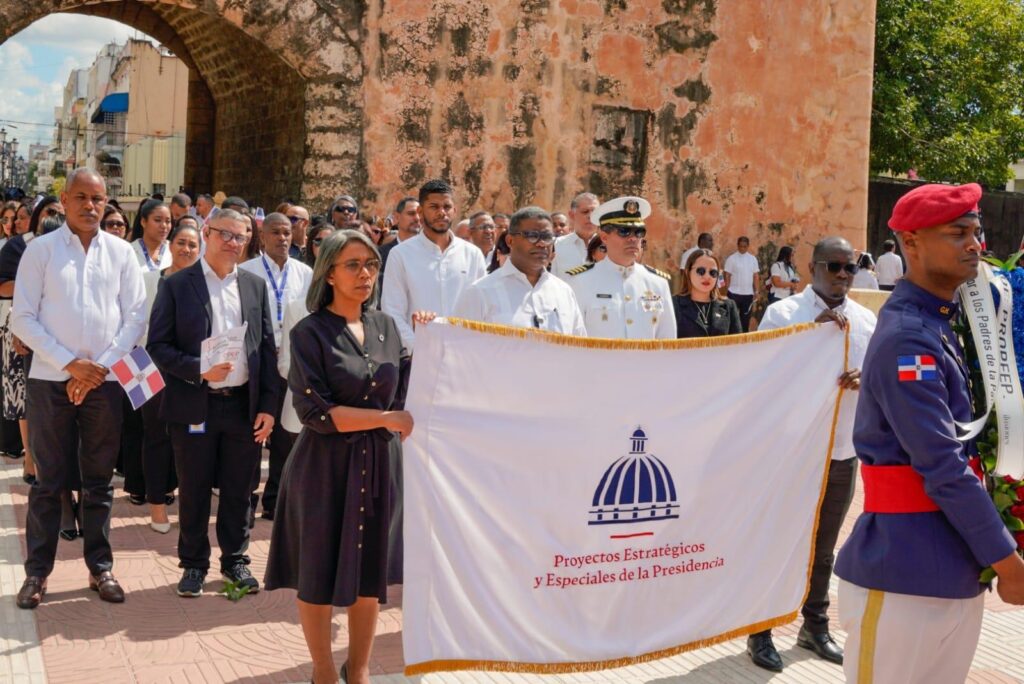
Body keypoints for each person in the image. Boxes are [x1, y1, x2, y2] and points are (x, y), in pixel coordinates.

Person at [834, 183, 1024, 682]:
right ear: (911, 243)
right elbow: (942, 464)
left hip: (950, 571)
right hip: (902, 574)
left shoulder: (939, 325)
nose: (974, 244)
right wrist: (1007, 561)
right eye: (957, 232)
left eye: (976, 231)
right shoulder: (908, 337)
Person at [265, 229, 412, 684]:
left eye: (371, 265)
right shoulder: (309, 331)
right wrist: (386, 420)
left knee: (371, 576)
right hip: (323, 468)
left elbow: (406, 394)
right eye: (353, 265)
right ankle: (325, 671)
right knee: (318, 572)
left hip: (379, 465)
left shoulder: (388, 326)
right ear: (329, 272)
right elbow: (317, 413)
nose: (365, 274)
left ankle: (361, 669)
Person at [12, 169, 147, 609]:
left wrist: (98, 369)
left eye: (99, 199)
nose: (91, 206)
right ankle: (37, 573)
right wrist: (71, 365)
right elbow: (23, 319)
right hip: (51, 382)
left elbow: (134, 318)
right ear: (65, 200)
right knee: (48, 482)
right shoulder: (41, 252)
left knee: (99, 480)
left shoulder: (121, 253)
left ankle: (100, 567)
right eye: (82, 198)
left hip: (104, 385)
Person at [746, 236, 877, 672]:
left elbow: (881, 383)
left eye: (850, 267)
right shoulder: (783, 314)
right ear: (812, 266)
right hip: (792, 452)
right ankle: (760, 630)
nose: (842, 275)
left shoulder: (864, 320)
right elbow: (765, 377)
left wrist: (866, 380)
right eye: (833, 265)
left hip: (841, 450)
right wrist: (811, 344)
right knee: (780, 541)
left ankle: (815, 626)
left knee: (825, 547)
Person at [147, 208, 280, 598]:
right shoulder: (177, 285)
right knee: (194, 488)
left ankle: (235, 561)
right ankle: (193, 564)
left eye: (240, 237)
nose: (233, 243)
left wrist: (269, 406)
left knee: (240, 490)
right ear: (207, 232)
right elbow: (157, 346)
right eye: (225, 234)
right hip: (195, 403)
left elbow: (267, 349)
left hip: (243, 405)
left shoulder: (254, 286)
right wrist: (198, 369)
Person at [239, 212, 313, 520]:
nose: (283, 238)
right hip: (258, 361)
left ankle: (276, 498)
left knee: (285, 433)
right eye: (276, 233)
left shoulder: (305, 273)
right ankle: (245, 496)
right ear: (263, 236)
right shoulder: (246, 271)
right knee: (252, 431)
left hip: (291, 362)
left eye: (287, 232)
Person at [139, 220, 201, 533]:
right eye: (181, 243)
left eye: (193, 245)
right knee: (156, 437)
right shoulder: (149, 281)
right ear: (170, 245)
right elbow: (136, 328)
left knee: (189, 439)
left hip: (189, 374)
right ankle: (156, 504)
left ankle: (177, 491)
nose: (186, 249)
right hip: (151, 370)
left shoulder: (203, 285)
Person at [381, 179, 487, 350]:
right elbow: (392, 312)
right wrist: (419, 350)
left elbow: (484, 309)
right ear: (420, 212)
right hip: (417, 359)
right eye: (434, 207)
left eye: (446, 207)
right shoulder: (400, 255)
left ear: (455, 210)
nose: (442, 212)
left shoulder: (472, 255)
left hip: (465, 356)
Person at [452, 206, 586, 334]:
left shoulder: (564, 292)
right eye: (532, 235)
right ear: (510, 241)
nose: (541, 243)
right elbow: (461, 350)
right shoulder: (480, 293)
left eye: (546, 237)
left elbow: (579, 350)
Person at [566, 196, 675, 339]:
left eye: (639, 232)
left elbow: (667, 339)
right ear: (604, 237)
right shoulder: (581, 281)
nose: (633, 238)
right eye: (624, 231)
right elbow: (573, 338)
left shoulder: (658, 283)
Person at [673, 250, 741, 338]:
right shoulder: (673, 305)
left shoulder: (729, 306)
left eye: (713, 273)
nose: (707, 276)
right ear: (687, 272)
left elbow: (737, 344)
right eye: (701, 271)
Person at [551, 192, 599, 279]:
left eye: (595, 212)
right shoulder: (556, 245)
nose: (590, 216)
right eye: (585, 212)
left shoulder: (610, 247)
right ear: (572, 215)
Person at [722, 236, 759, 332]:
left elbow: (755, 276)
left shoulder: (753, 259)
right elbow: (727, 275)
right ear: (737, 245)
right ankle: (731, 339)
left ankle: (744, 340)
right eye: (741, 246)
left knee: (745, 319)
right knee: (731, 318)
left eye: (745, 246)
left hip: (748, 294)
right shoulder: (732, 259)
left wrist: (756, 291)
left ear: (748, 246)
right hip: (733, 293)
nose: (742, 248)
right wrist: (726, 291)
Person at [131, 198, 174, 271]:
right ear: (144, 222)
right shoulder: (130, 250)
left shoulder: (174, 250)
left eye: (168, 221)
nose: (164, 225)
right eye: (157, 220)